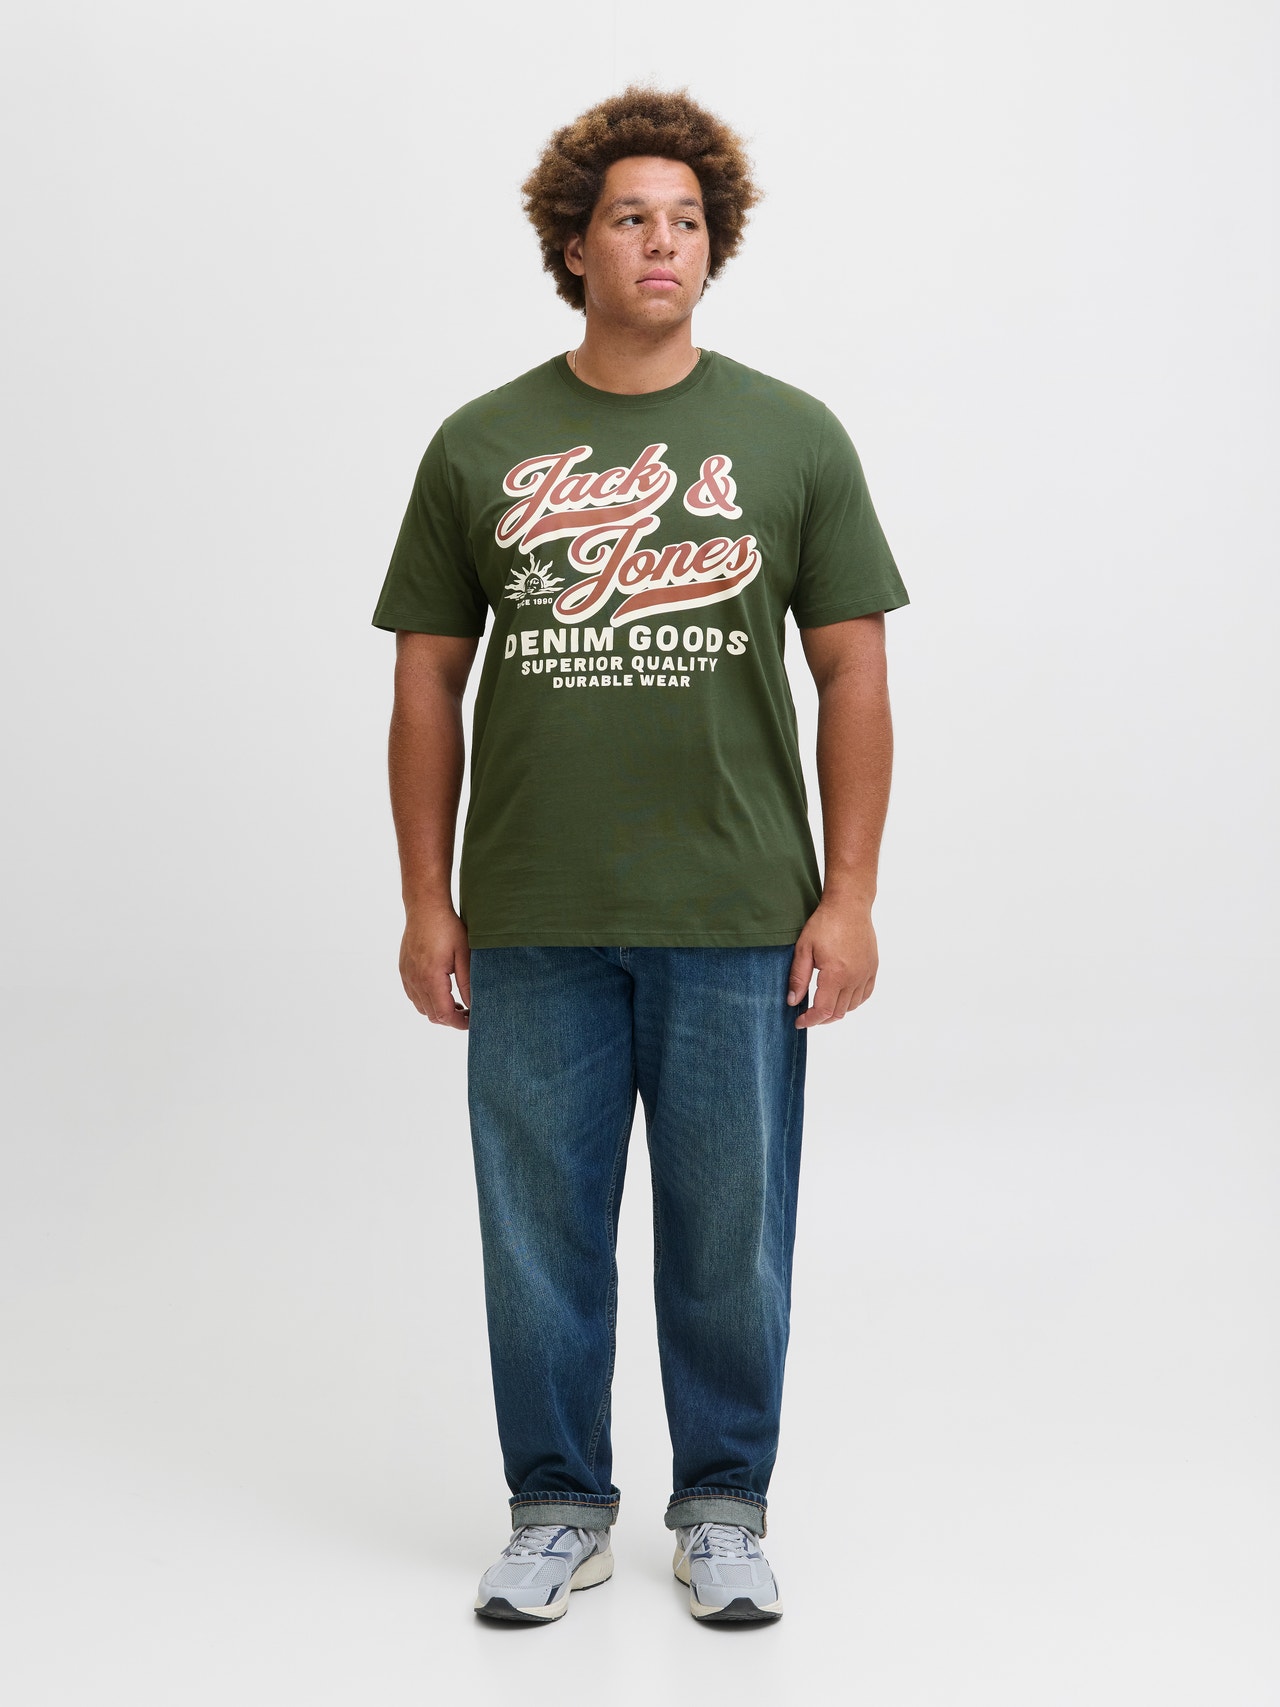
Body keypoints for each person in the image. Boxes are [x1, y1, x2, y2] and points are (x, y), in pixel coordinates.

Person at [371, 84, 909, 1625]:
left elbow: (853, 672)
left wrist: (851, 894)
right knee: (539, 1235)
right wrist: (426, 900)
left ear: (713, 246)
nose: (660, 242)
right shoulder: (480, 443)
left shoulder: (792, 436)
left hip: (738, 913)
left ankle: (724, 1510)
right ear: (575, 245)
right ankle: (557, 1510)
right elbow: (426, 683)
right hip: (533, 913)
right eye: (629, 218)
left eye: (685, 220)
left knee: (730, 1238)